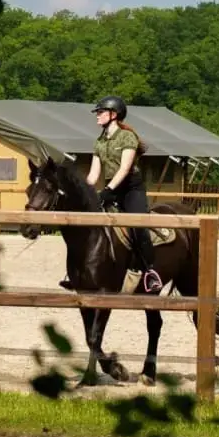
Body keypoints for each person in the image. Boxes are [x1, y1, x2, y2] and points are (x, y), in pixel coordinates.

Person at [59, 95, 163, 294]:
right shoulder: (99, 142)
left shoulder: (127, 137)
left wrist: (108, 190)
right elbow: (93, 174)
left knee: (138, 226)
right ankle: (78, 273)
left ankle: (150, 272)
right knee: (87, 225)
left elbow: (124, 168)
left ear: (114, 115)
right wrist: (86, 194)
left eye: (101, 112)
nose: (97, 115)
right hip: (110, 189)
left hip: (130, 189)